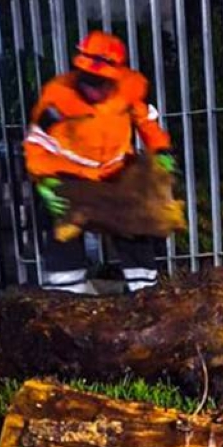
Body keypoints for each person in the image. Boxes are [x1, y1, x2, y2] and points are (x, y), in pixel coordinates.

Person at [23, 31, 176, 294]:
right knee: (62, 229)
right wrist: (44, 180)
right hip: (71, 176)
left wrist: (161, 150)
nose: (94, 88)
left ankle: (145, 292)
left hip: (115, 173)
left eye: (101, 81)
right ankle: (67, 296)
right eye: (88, 80)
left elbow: (146, 122)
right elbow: (37, 142)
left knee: (136, 225)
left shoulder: (128, 92)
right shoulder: (58, 97)